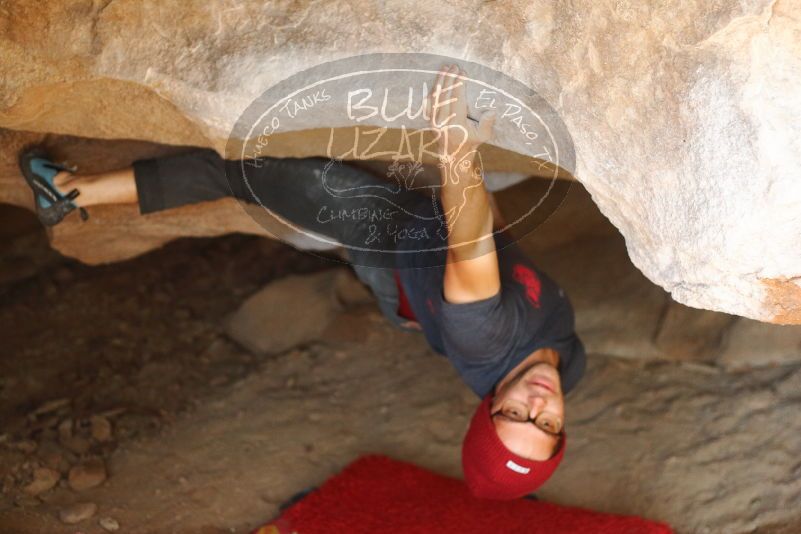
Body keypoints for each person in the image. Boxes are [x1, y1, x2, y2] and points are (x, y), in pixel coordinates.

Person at [18, 64, 585, 500]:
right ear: (562, 429)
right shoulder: (569, 366)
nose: (536, 403)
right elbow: (494, 242)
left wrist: (456, 143)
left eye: (514, 416)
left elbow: (471, 244)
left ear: (486, 409)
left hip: (391, 242)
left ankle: (69, 193)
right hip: (425, 295)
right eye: (545, 424)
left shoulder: (486, 332)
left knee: (246, 172)